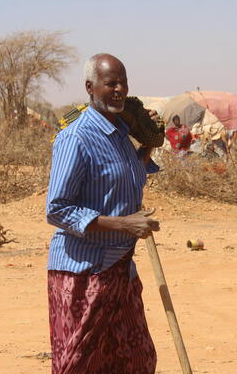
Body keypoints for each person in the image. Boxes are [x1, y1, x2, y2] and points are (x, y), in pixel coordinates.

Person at [46, 53, 160, 374]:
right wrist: (124, 224)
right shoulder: (75, 137)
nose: (120, 90)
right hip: (84, 273)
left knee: (137, 359)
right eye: (111, 84)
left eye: (123, 83)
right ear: (90, 87)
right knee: (81, 364)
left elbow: (127, 175)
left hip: (120, 269)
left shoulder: (121, 133)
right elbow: (57, 209)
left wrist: (149, 141)